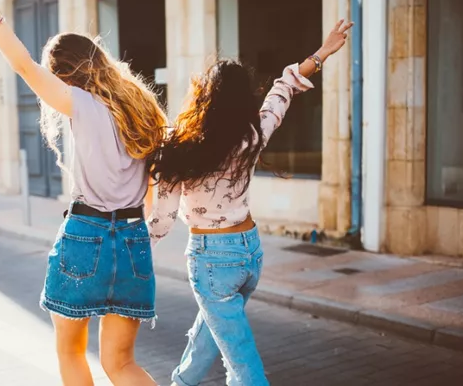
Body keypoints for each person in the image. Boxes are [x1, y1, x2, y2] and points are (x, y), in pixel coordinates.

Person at [0, 0, 167, 386]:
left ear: (64, 74)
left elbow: (21, 63)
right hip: (132, 237)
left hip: (86, 234)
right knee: (121, 364)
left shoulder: (79, 102)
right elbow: (154, 183)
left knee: (71, 351)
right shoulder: (142, 105)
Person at [146, 20, 354, 386]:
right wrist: (321, 53)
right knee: (213, 331)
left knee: (241, 364)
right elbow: (283, 89)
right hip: (249, 253)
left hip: (212, 260)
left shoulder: (180, 148)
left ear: (203, 95)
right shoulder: (253, 134)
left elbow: (160, 224)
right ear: (244, 99)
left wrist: (134, 253)